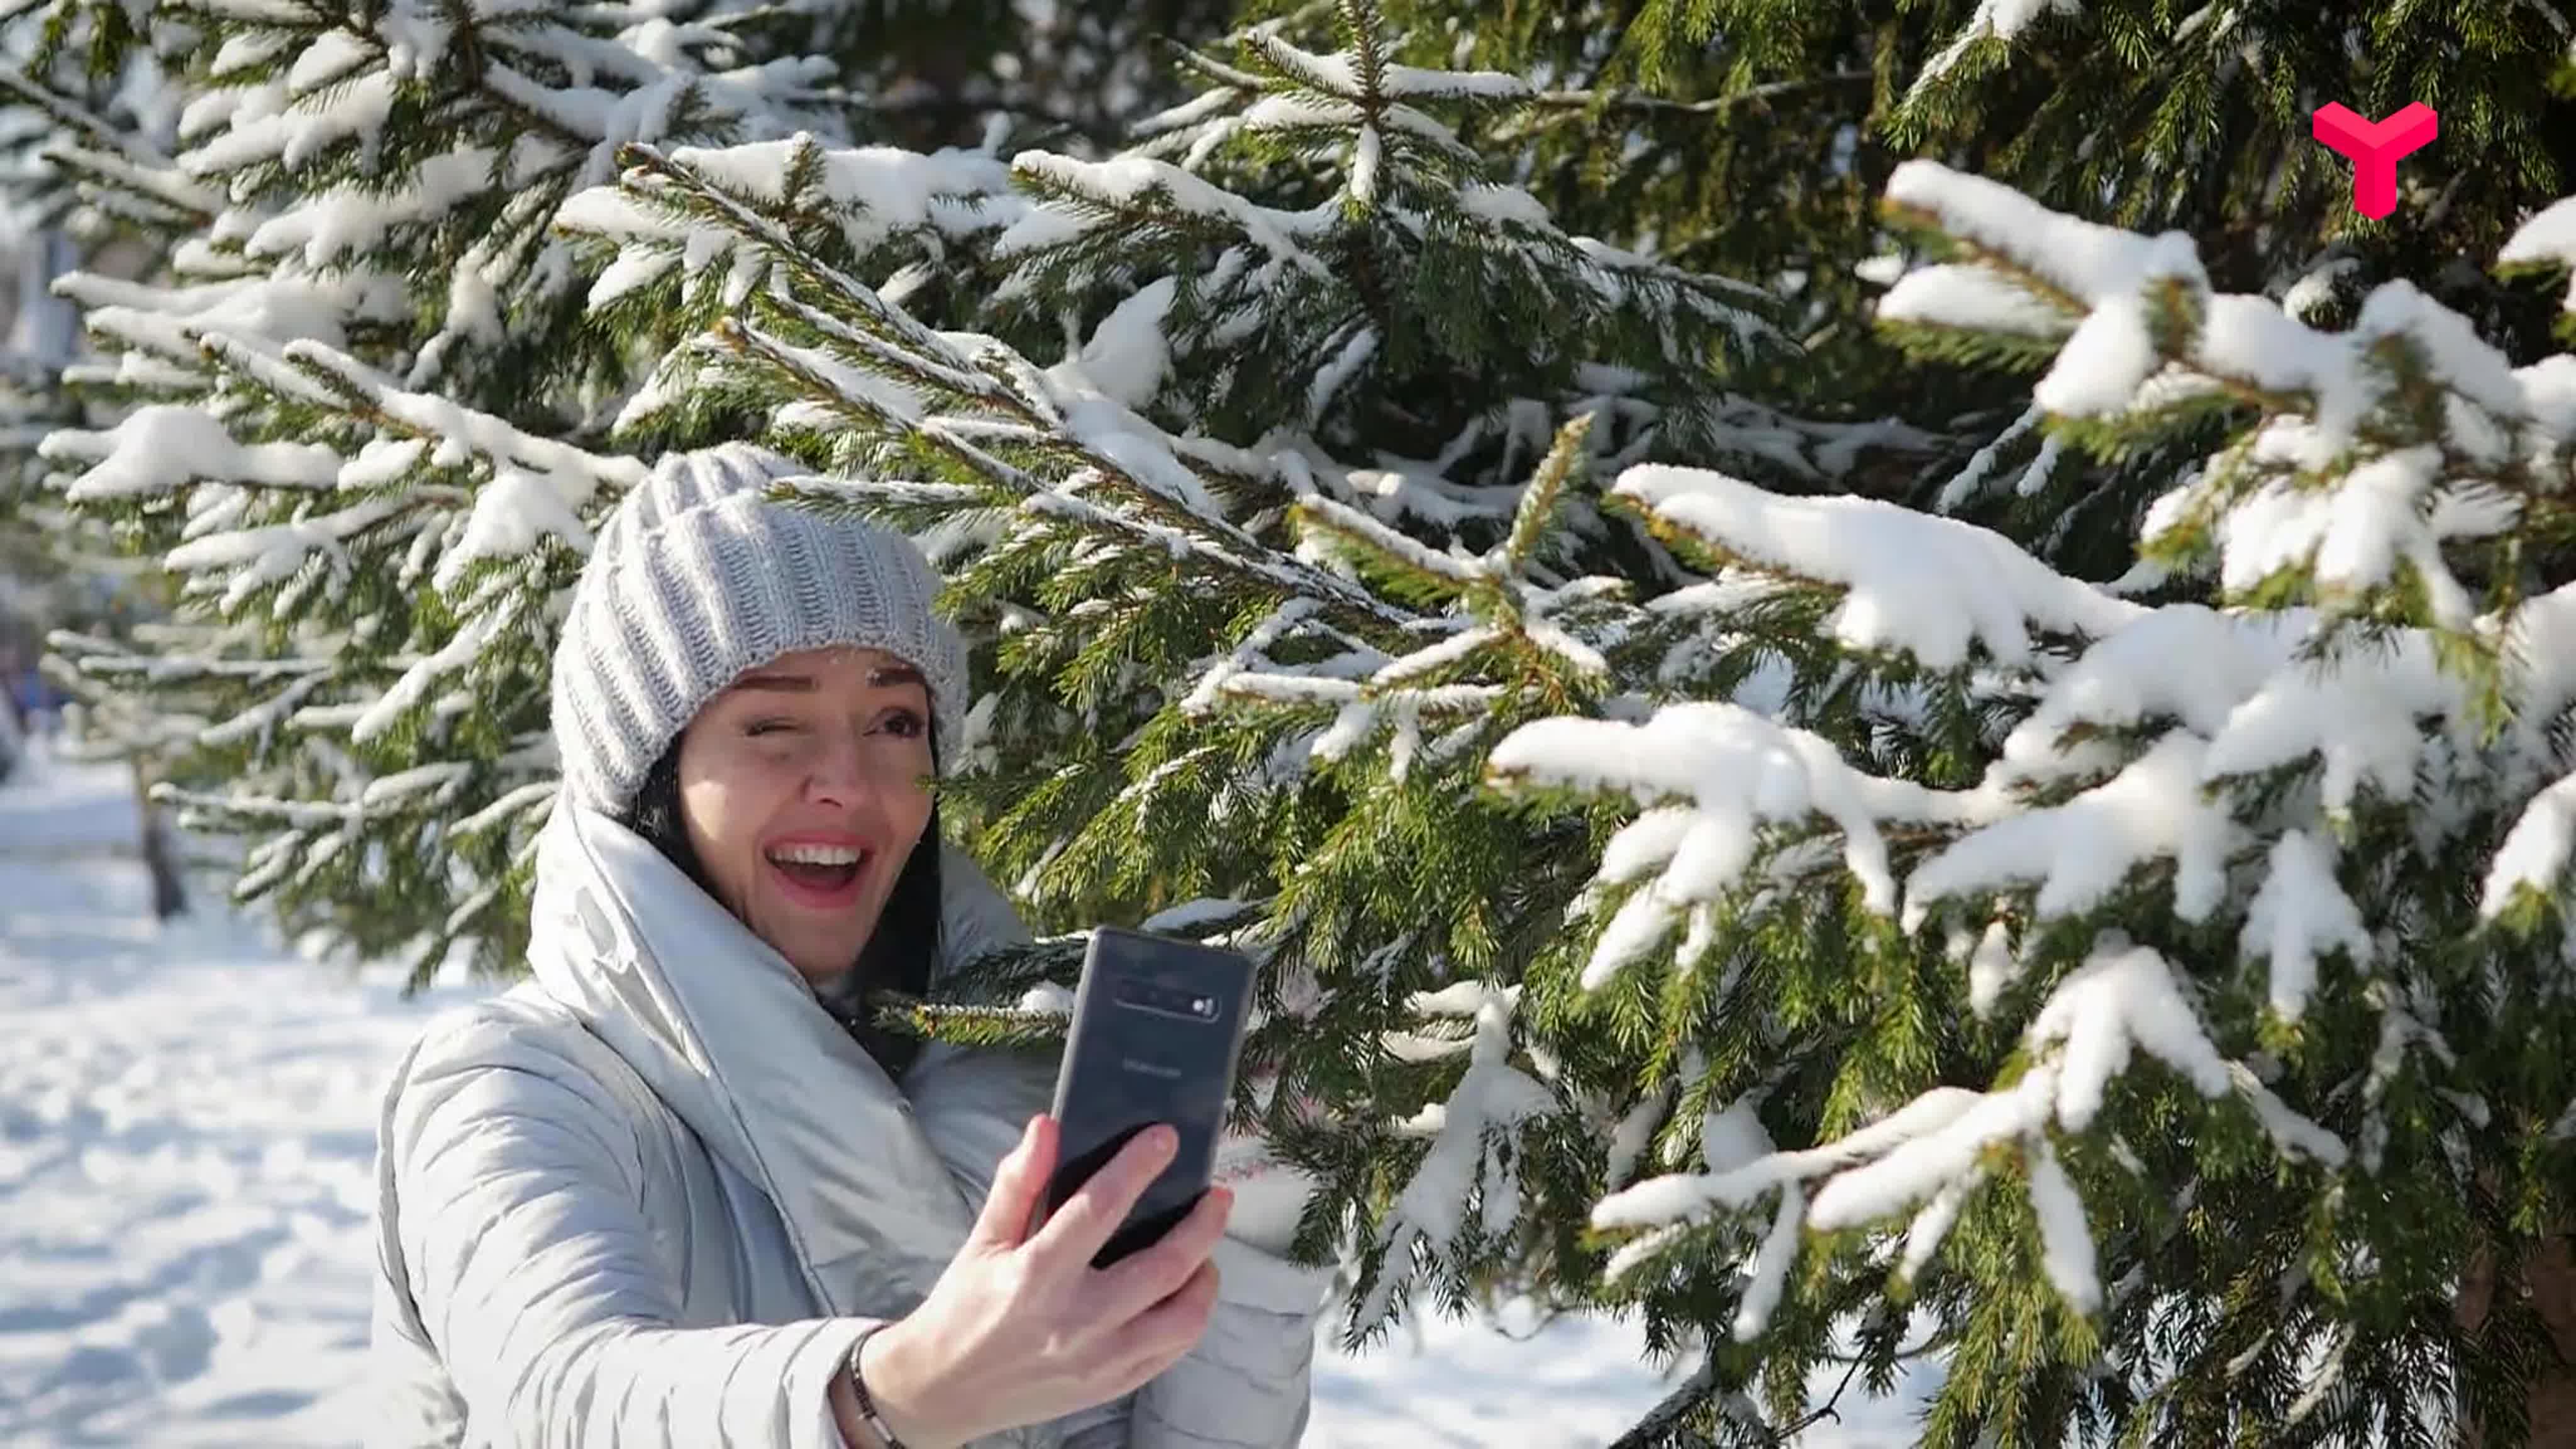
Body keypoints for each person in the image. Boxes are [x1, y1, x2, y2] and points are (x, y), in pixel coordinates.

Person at [367, 447, 1327, 1448]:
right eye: (774, 724)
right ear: (654, 776)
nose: (849, 783)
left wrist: (1256, 1236)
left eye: (894, 720)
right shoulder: (511, 1086)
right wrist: (888, 1396)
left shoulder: (1032, 1072)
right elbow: (559, 1397)